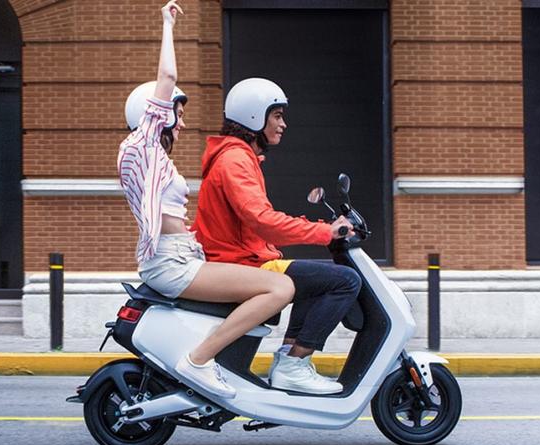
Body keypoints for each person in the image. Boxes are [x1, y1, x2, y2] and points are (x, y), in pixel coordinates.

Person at [118, 2, 294, 399]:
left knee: (266, 282)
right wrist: (167, 24)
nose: (180, 122)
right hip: (172, 263)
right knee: (279, 289)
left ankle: (227, 367)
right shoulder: (140, 147)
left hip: (183, 254)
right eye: (175, 115)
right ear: (152, 116)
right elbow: (167, 76)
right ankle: (198, 361)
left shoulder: (152, 159)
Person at [192, 78, 363, 395]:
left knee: (316, 281)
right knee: (345, 281)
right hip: (244, 266)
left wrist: (315, 225)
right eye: (277, 115)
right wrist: (325, 231)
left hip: (246, 259)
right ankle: (294, 365)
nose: (283, 124)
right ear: (256, 116)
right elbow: (262, 221)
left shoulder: (240, 157)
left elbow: (256, 220)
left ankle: (289, 360)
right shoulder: (235, 160)